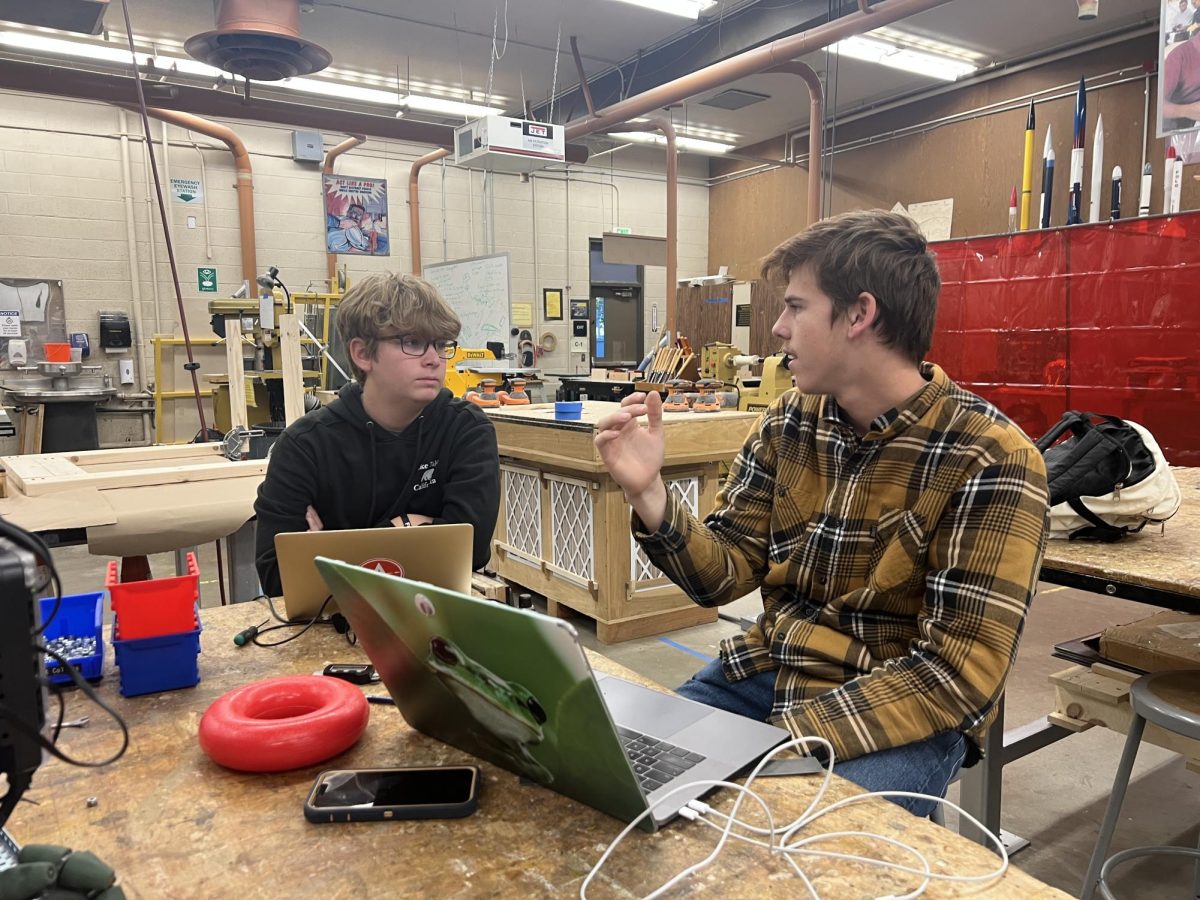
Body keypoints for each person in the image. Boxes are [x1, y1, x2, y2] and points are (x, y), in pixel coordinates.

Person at [594, 209, 1050, 816]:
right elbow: (723, 576)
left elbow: (956, 674)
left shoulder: (991, 458)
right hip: (767, 673)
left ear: (860, 314)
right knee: (613, 782)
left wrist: (779, 748)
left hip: (899, 709)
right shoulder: (788, 421)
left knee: (781, 846)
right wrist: (648, 494)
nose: (778, 329)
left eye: (795, 307)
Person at [254, 272, 500, 598]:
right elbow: (276, 575)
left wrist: (327, 549)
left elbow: (472, 549)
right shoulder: (305, 447)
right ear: (363, 354)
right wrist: (412, 527)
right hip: (328, 627)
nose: (433, 359)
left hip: (432, 619)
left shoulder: (466, 430)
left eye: (441, 344)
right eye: (412, 342)